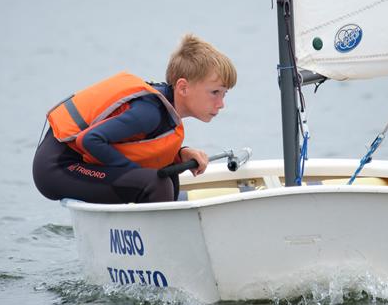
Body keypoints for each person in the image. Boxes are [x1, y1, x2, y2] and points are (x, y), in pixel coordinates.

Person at [33, 34, 236, 204]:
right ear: (183, 87)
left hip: (79, 162)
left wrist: (179, 154)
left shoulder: (163, 110)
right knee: (156, 182)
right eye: (215, 92)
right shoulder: (149, 113)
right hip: (58, 168)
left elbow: (134, 146)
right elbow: (90, 140)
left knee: (166, 174)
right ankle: (161, 245)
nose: (221, 103)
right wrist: (134, 173)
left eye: (224, 94)